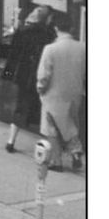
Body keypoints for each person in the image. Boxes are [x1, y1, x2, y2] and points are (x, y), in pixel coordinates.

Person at [1, 7, 57, 154]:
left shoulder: (23, 31)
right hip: (41, 75)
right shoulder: (49, 35)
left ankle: (11, 141)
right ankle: (46, 147)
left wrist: (8, 73)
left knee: (20, 106)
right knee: (43, 110)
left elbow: (14, 53)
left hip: (24, 75)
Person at [35, 21, 86, 177]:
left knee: (51, 127)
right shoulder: (83, 48)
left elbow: (44, 75)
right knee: (69, 122)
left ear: (56, 28)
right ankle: (76, 151)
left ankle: (56, 161)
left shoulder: (50, 49)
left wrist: (40, 89)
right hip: (74, 93)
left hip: (53, 93)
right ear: (71, 29)